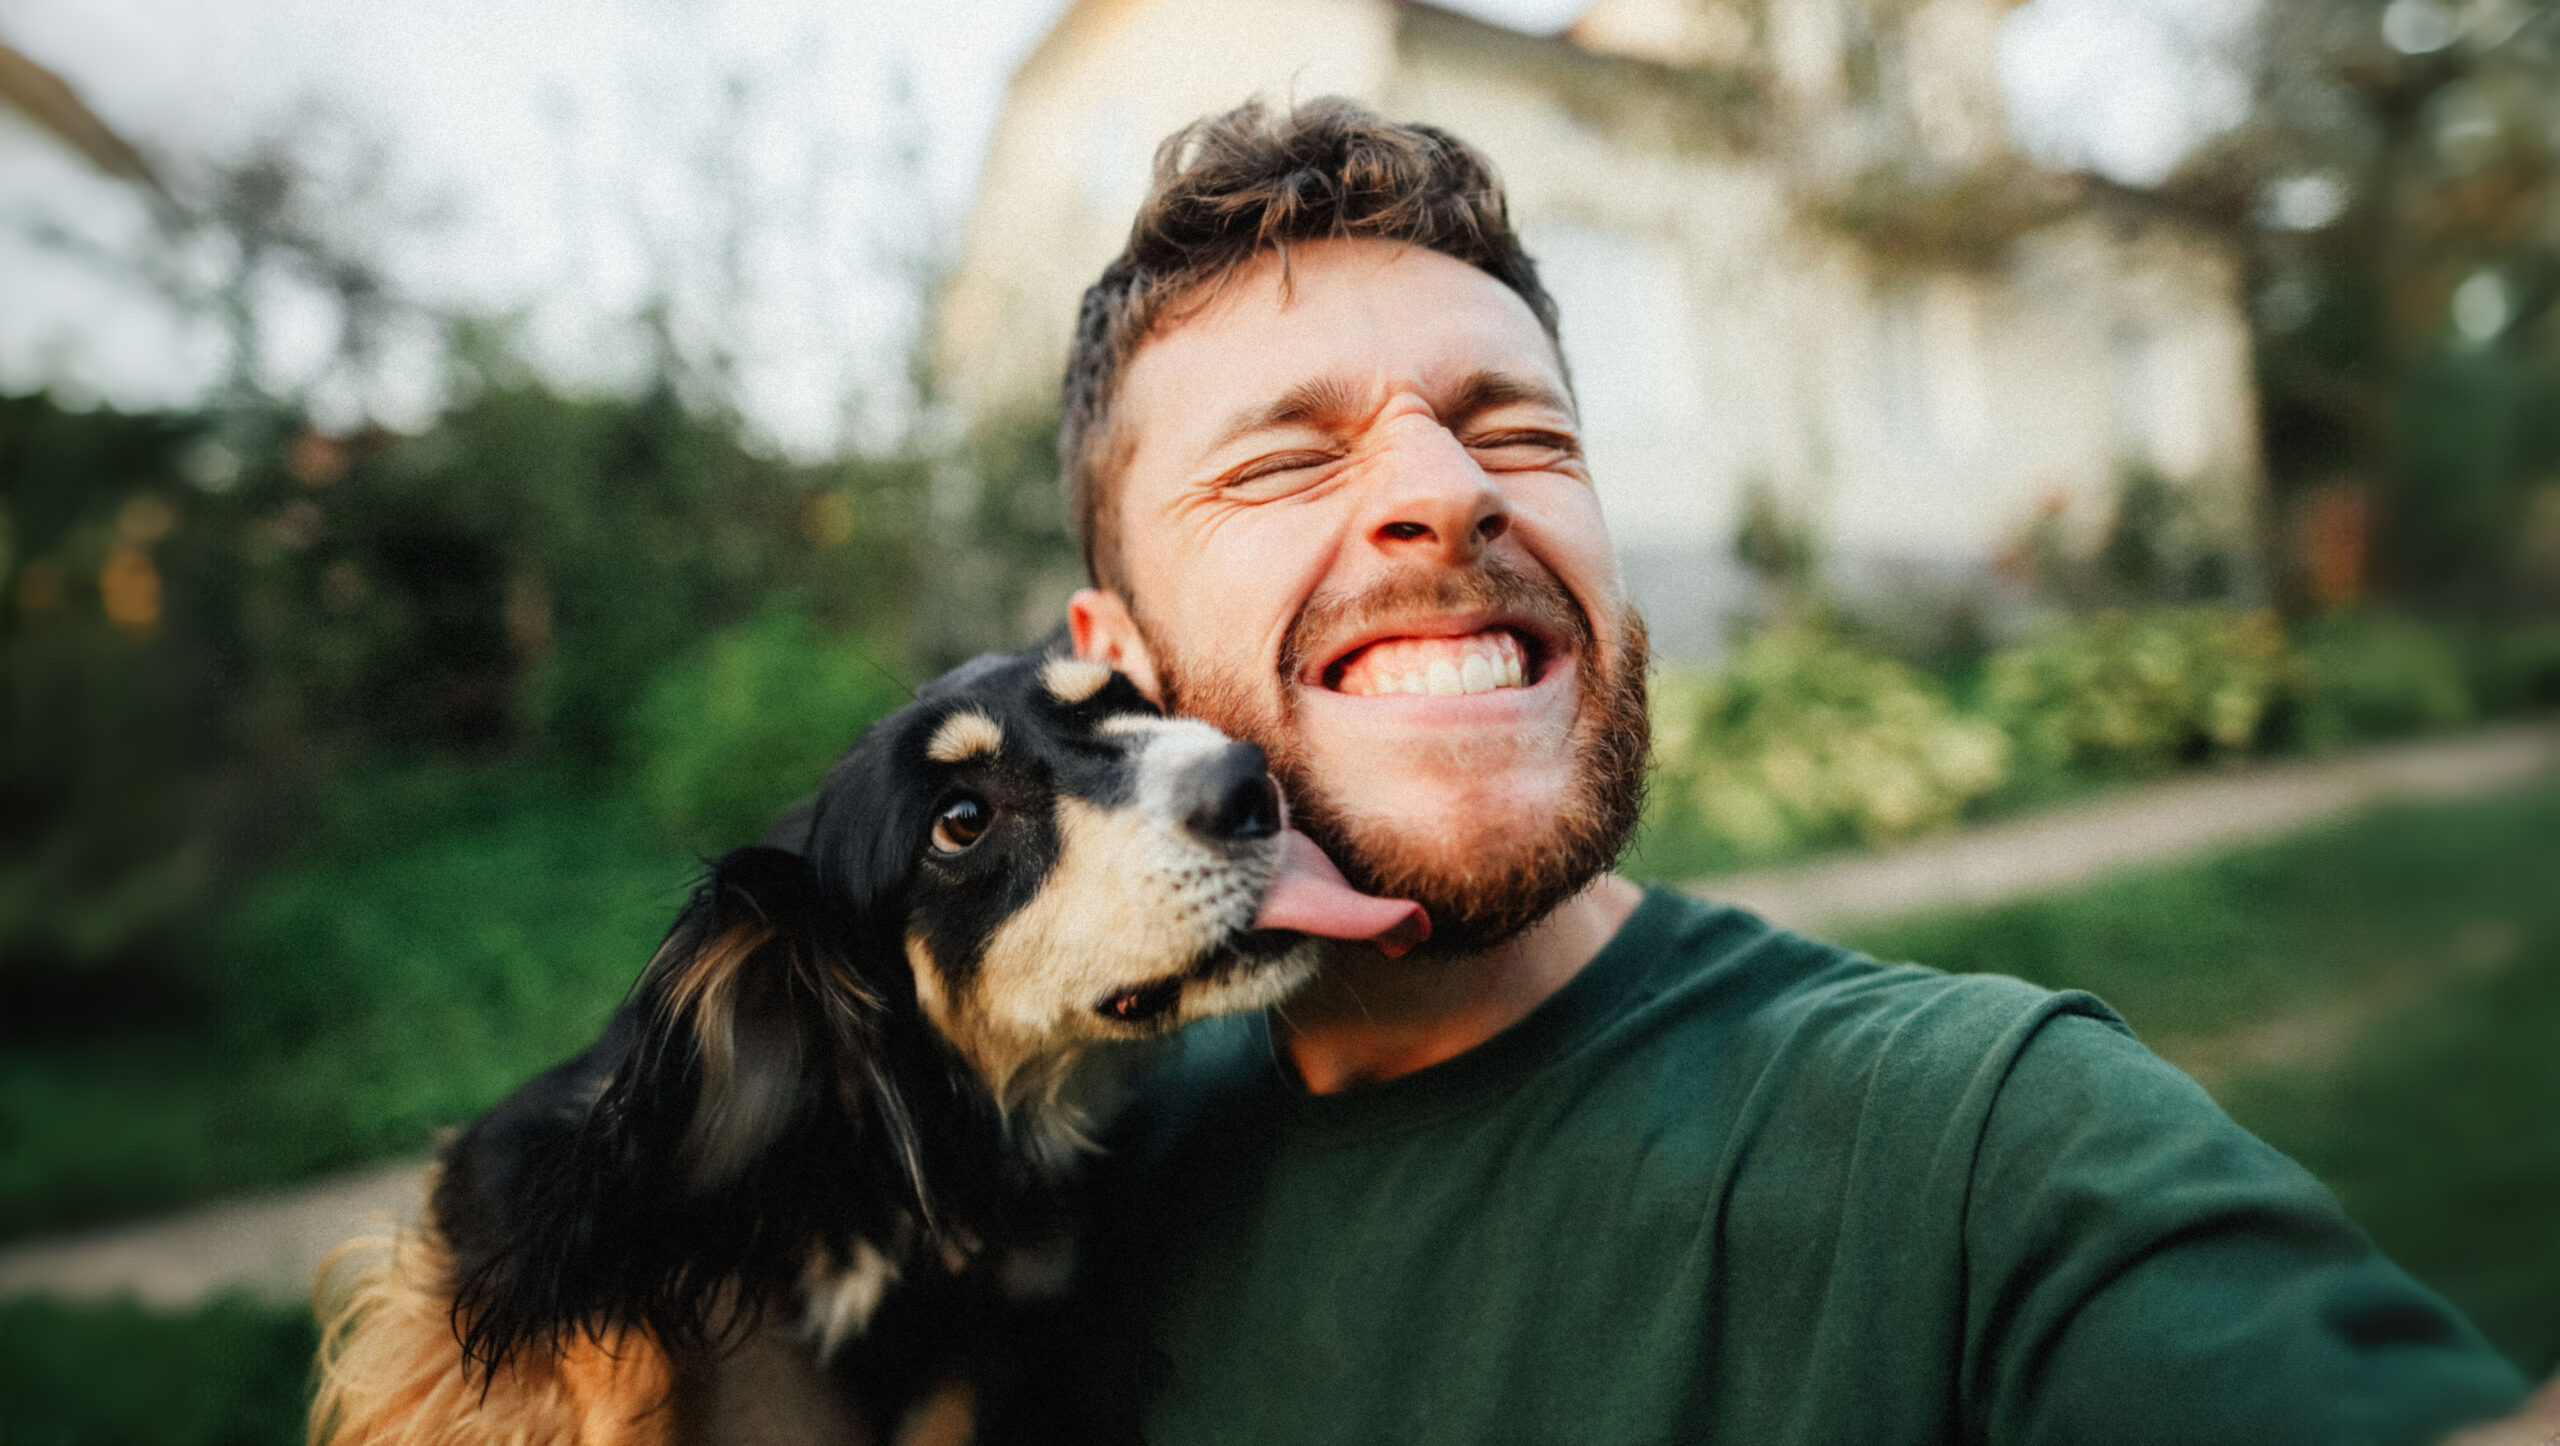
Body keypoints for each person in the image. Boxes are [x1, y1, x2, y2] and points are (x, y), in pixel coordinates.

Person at [1049, 97, 2551, 1444]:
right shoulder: (1050, 1172)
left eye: (1521, 431)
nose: (1451, 491)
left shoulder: (1971, 1149)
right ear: (1110, 666)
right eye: (1286, 460)